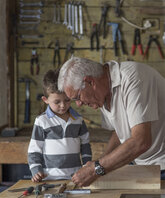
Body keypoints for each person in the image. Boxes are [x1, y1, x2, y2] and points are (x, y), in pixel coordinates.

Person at [58, 56, 165, 186]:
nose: (79, 104)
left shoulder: (133, 78)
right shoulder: (102, 93)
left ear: (90, 82)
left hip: (162, 164)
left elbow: (141, 141)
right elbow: (119, 132)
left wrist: (95, 170)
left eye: (77, 97)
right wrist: (99, 162)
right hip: (143, 164)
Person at [28, 69, 92, 182]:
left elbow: (85, 145)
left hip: (75, 178)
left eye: (67, 100)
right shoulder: (41, 121)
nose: (63, 105)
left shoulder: (78, 120)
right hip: (49, 178)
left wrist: (86, 167)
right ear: (45, 100)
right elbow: (34, 150)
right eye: (57, 102)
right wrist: (36, 170)